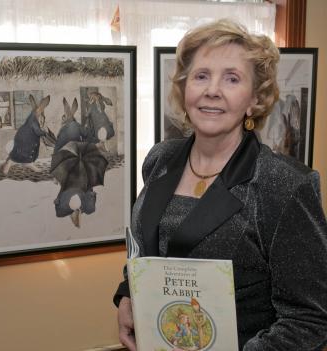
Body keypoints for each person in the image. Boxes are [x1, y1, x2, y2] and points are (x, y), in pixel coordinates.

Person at [114, 19, 327, 350]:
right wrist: (128, 295)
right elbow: (150, 249)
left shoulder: (284, 185)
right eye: (201, 76)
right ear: (185, 89)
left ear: (254, 100)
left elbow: (311, 319)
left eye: (232, 78)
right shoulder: (160, 159)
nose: (212, 89)